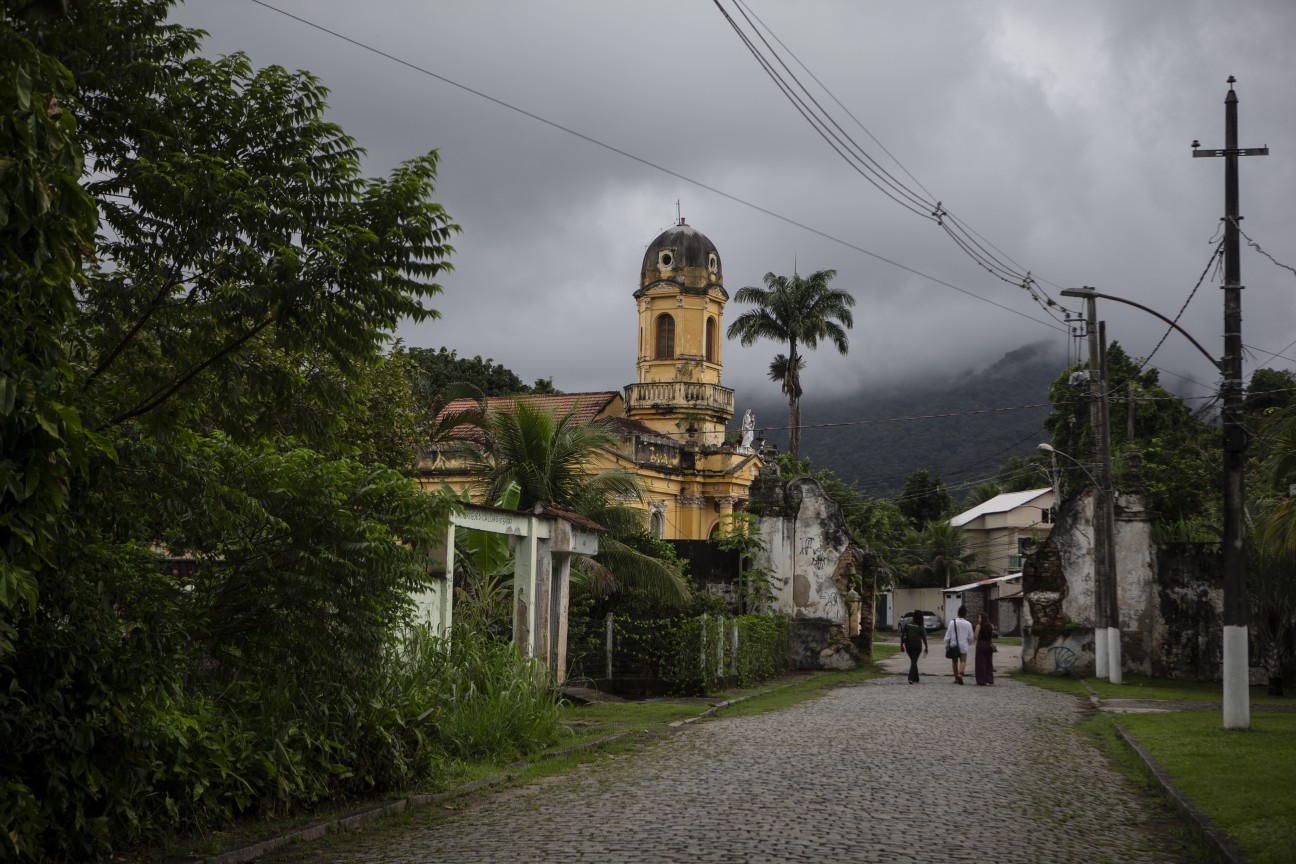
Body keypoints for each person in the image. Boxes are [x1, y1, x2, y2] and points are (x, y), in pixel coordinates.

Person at [944, 605, 974, 684]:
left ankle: (956, 677)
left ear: (958, 613)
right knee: (963, 661)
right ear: (965, 614)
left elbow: (948, 635)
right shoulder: (968, 624)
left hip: (954, 645)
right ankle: (961, 674)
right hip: (963, 645)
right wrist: (969, 643)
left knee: (954, 662)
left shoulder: (952, 622)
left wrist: (947, 644)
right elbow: (970, 637)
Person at [899, 610, 928, 683]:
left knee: (913, 661)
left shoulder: (908, 624)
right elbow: (924, 637)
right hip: (917, 645)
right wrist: (926, 647)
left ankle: (916, 678)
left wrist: (901, 645)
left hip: (908, 645)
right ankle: (910, 678)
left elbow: (903, 635)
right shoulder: (920, 626)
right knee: (914, 661)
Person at [973, 611, 995, 686]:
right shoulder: (991, 625)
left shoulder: (979, 626)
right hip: (988, 644)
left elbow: (975, 636)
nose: (978, 619)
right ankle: (989, 679)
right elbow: (991, 635)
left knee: (980, 663)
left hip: (981, 644)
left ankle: (981, 680)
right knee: (989, 662)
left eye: (979, 617)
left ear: (982, 618)